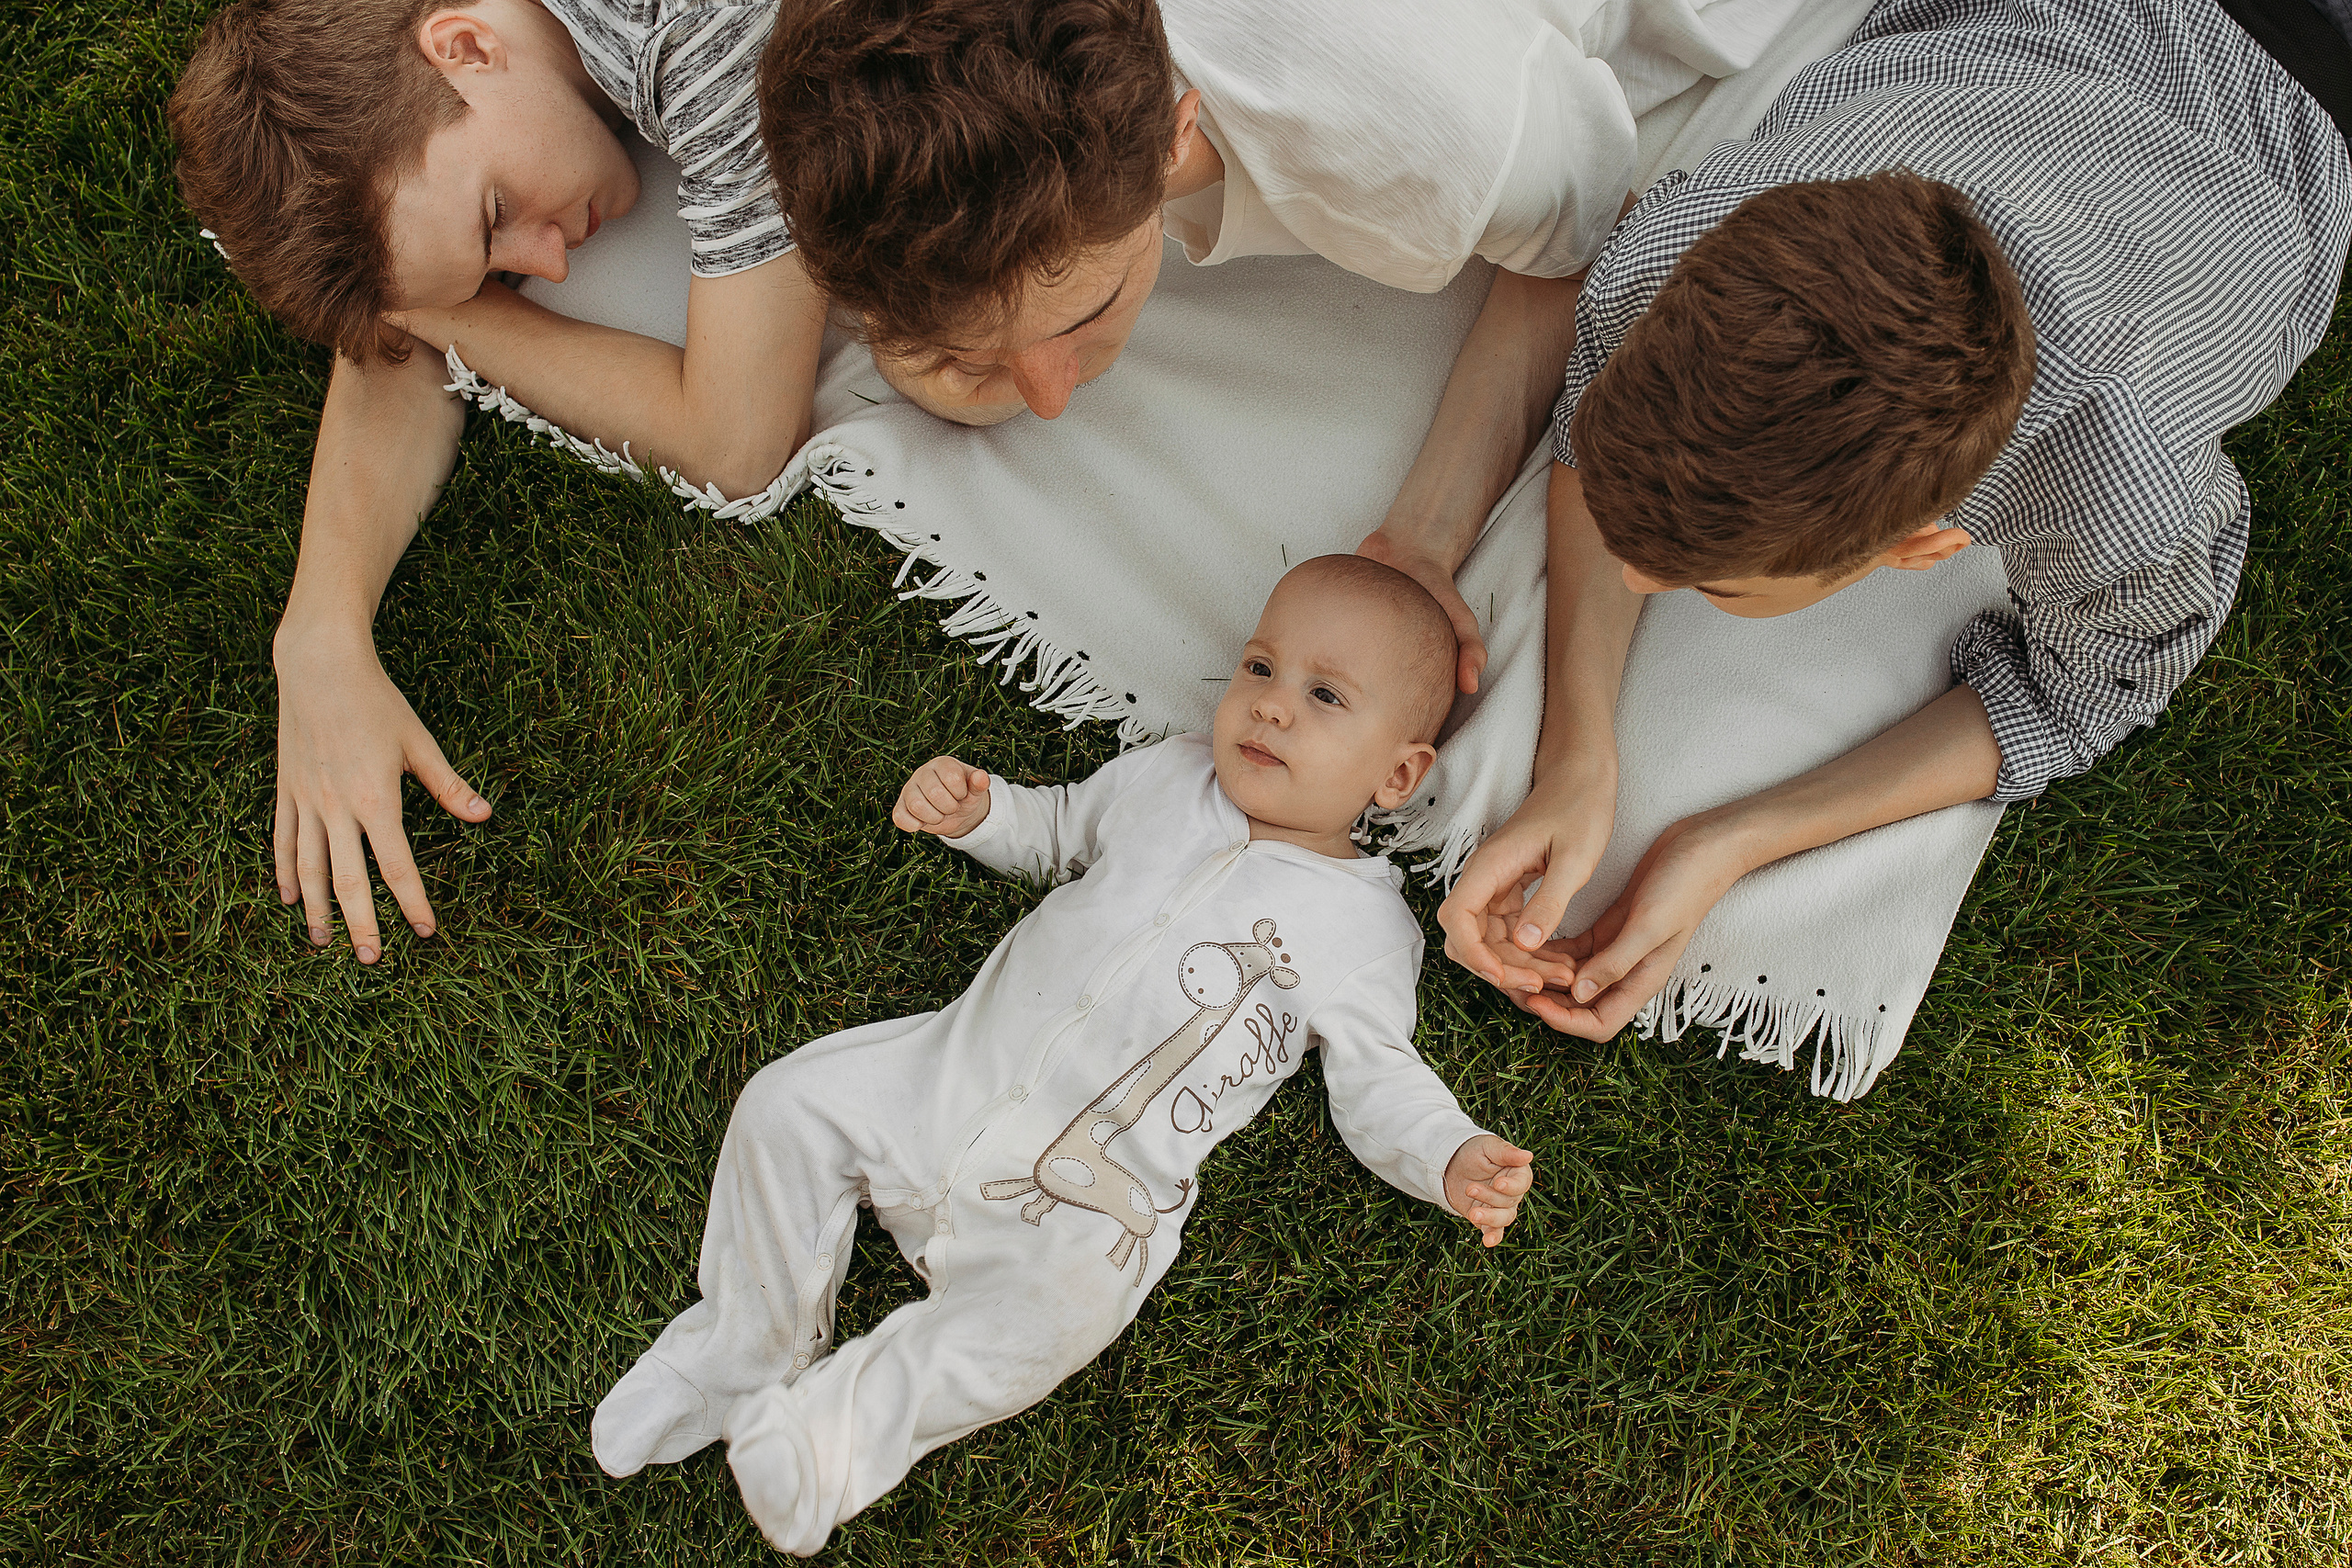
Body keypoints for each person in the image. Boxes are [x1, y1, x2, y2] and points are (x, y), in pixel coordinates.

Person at [1428, 0, 2352, 1036]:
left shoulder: (2115, 489)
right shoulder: (1692, 248)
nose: (1631, 576)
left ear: (1922, 548)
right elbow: (1603, 411)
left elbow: (2076, 692)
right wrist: (1577, 754)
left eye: (1711, 580)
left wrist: (1735, 840)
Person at [589, 557, 1536, 1554]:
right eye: (1260, 668)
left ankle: (830, 1440)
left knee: (1055, 1315)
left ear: (1397, 775)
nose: (1270, 707)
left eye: (1325, 695)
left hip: (1083, 1199)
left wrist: (1448, 1153)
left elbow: (1379, 1080)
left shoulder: (1366, 932)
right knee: (786, 1103)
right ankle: (742, 1349)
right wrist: (981, 812)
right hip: (939, 1078)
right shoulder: (1168, 777)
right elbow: (1059, 830)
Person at [762, 0, 1843, 694]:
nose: (1049, 402)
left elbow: (1582, 258)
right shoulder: (883, 55)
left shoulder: (1441, 151)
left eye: (1083, 317)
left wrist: (1424, 536)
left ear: (1177, 130)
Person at [170, 0, 830, 965]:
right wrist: (320, 626)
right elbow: (403, 288)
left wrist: (447, 316)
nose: (549, 264)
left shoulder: (703, 45)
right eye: (494, 259)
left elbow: (737, 442)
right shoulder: (433, 62)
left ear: (467, 44)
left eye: (496, 217)